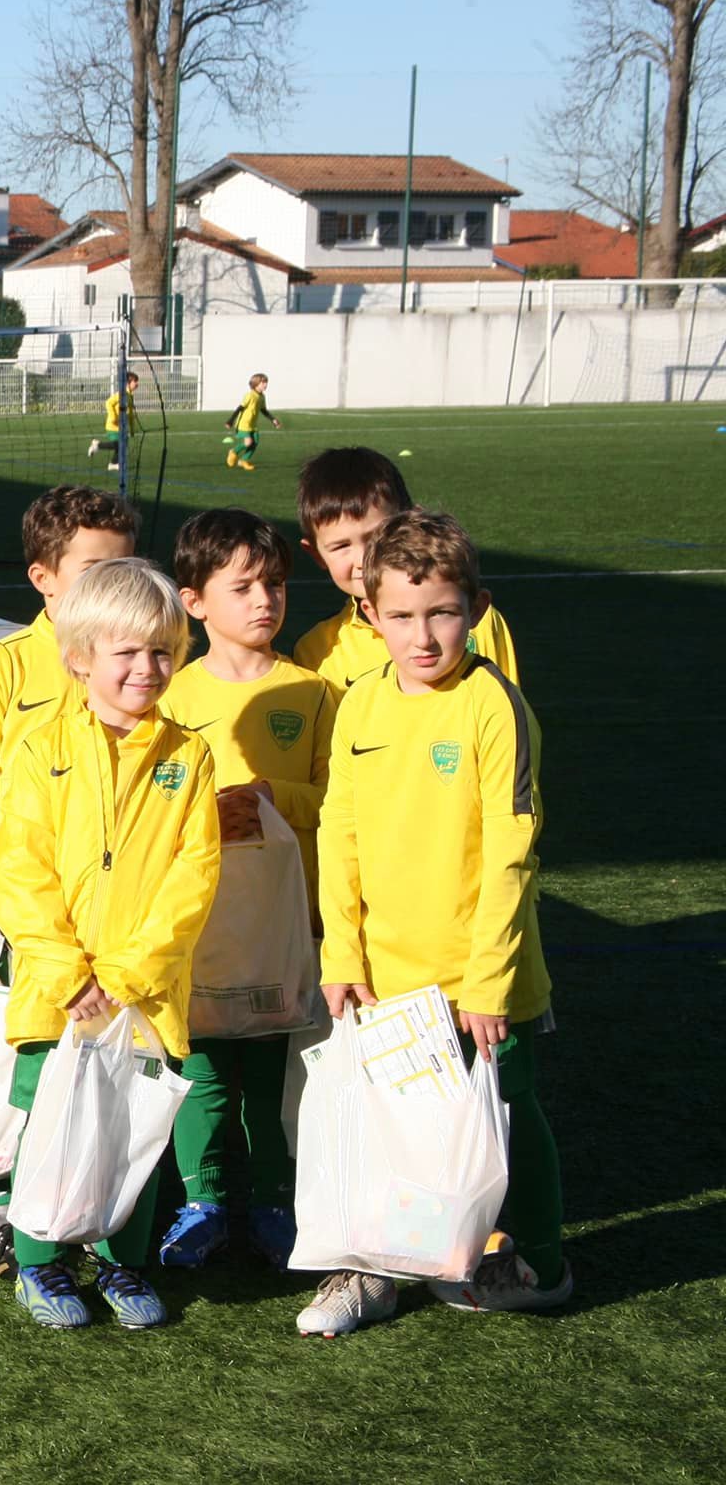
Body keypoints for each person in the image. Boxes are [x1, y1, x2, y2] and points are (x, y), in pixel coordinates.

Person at [298, 510, 568, 1336]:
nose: (424, 636)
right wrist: (342, 949)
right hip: (384, 974)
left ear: (476, 608)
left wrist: (486, 984)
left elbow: (511, 857)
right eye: (404, 617)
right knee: (390, 1132)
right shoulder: (360, 704)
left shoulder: (494, 707)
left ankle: (540, 1263)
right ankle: (380, 1269)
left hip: (480, 981)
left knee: (504, 1120)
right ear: (369, 615)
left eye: (442, 613)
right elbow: (338, 832)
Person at [0, 557, 220, 1330]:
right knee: (46, 1127)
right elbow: (18, 871)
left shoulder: (189, 758)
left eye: (162, 652)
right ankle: (39, 1261)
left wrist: (128, 973)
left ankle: (123, 1263)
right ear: (79, 656)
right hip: (58, 995)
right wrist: (65, 971)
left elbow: (195, 876)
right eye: (127, 653)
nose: (147, 669)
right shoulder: (37, 749)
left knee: (134, 1132)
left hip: (144, 994)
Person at [0, 484, 139, 1275]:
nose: (113, 582)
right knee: (23, 1060)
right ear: (45, 579)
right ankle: (10, 1203)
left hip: (113, 906)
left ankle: (103, 1203)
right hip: (20, 903)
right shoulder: (7, 667)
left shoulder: (145, 663)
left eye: (126, 566)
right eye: (96, 567)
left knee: (108, 1056)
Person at [156, 509, 335, 1273]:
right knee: (201, 1069)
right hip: (198, 920)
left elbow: (340, 797)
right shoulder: (172, 693)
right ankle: (203, 1200)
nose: (265, 600)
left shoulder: (315, 692)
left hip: (284, 919)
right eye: (243, 587)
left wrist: (269, 796)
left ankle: (271, 1201)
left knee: (269, 1069)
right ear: (194, 602)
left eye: (274, 584)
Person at [292, 447, 518, 699]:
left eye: (376, 536)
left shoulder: (474, 619)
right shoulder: (316, 650)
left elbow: (507, 717)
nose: (363, 559)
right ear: (316, 554)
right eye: (341, 546)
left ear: (411, 520)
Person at [223, 372, 280, 470]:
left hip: (253, 424)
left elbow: (263, 410)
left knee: (255, 442)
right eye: (263, 383)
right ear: (256, 384)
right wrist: (230, 421)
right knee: (248, 442)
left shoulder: (262, 396)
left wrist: (273, 419)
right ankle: (233, 452)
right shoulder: (250, 395)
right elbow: (240, 408)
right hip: (243, 424)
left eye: (266, 383)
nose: (266, 385)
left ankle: (243, 461)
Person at [87, 371, 140, 472]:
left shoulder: (129, 396)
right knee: (120, 445)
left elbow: (130, 414)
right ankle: (97, 445)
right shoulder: (121, 394)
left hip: (122, 427)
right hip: (113, 426)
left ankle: (113, 464)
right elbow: (108, 403)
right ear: (128, 382)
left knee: (122, 446)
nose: (137, 384)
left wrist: (132, 429)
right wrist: (113, 416)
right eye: (135, 381)